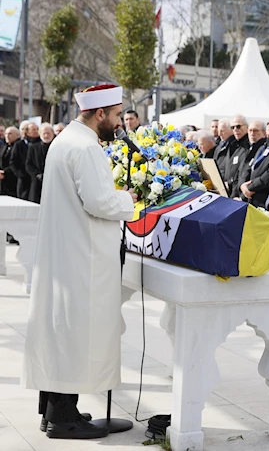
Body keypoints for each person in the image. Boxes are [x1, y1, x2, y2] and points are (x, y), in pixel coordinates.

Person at [22, 84, 136, 440]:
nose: (119, 123)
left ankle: (59, 409)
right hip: (81, 255)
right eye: (117, 115)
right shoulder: (86, 147)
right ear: (99, 113)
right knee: (75, 334)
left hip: (68, 251)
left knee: (64, 333)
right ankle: (63, 420)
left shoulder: (66, 140)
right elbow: (99, 202)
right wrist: (128, 199)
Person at [238, 116, 269, 209]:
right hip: (251, 198)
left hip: (263, 199)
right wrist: (242, 185)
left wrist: (250, 187)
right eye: (268, 123)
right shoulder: (263, 147)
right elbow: (250, 167)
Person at [11, 122, 41, 201]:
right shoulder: (19, 145)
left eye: (37, 129)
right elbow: (13, 162)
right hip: (24, 179)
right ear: (27, 132)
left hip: (36, 179)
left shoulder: (40, 144)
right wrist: (20, 174)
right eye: (33, 129)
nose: (36, 131)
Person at [26, 123, 55, 203]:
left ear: (53, 134)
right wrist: (37, 174)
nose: (46, 135)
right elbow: (28, 164)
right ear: (40, 134)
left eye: (48, 133)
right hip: (37, 183)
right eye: (44, 133)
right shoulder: (33, 147)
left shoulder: (58, 147)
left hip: (53, 183)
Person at [222, 115, 251, 195]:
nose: (235, 130)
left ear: (247, 127)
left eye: (238, 126)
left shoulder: (248, 145)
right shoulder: (232, 144)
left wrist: (230, 184)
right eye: (232, 127)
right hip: (228, 189)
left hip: (239, 191)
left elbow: (241, 171)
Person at [0, 127, 20, 197]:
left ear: (17, 135)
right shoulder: (5, 146)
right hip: (3, 179)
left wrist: (5, 172)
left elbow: (16, 162)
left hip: (13, 178)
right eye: (6, 134)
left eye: (10, 134)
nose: (7, 136)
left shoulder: (18, 146)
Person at [213, 119, 234, 184]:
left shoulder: (233, 146)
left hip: (226, 181)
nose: (220, 134)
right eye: (219, 131)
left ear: (230, 131)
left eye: (222, 131)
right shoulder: (219, 145)